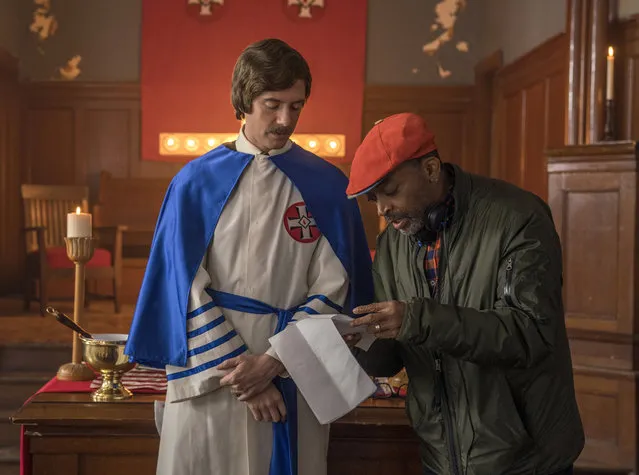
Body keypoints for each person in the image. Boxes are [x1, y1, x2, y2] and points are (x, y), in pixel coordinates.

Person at [125, 38, 372, 475]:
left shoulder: (328, 187)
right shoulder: (194, 183)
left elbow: (339, 288)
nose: (285, 120)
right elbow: (181, 288)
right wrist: (246, 380)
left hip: (296, 373)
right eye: (272, 104)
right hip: (212, 377)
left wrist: (276, 362)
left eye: (296, 106)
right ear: (243, 101)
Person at [344, 112, 584, 475]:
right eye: (374, 198)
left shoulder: (518, 217)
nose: (382, 210)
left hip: (527, 461)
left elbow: (529, 333)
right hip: (440, 460)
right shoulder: (393, 242)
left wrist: (416, 319)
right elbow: (390, 358)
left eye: (390, 192)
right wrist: (360, 340)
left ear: (430, 169)